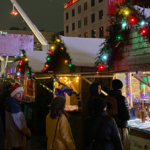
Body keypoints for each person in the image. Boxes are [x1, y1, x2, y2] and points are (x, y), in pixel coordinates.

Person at [5, 83, 31, 150]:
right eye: (18, 93)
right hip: (16, 138)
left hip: (12, 137)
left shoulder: (10, 103)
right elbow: (21, 124)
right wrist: (28, 133)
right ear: (13, 94)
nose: (21, 95)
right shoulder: (14, 106)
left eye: (22, 93)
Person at [107, 79, 130, 150]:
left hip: (110, 128)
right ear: (121, 87)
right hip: (121, 128)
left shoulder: (107, 98)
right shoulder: (122, 99)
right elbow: (127, 116)